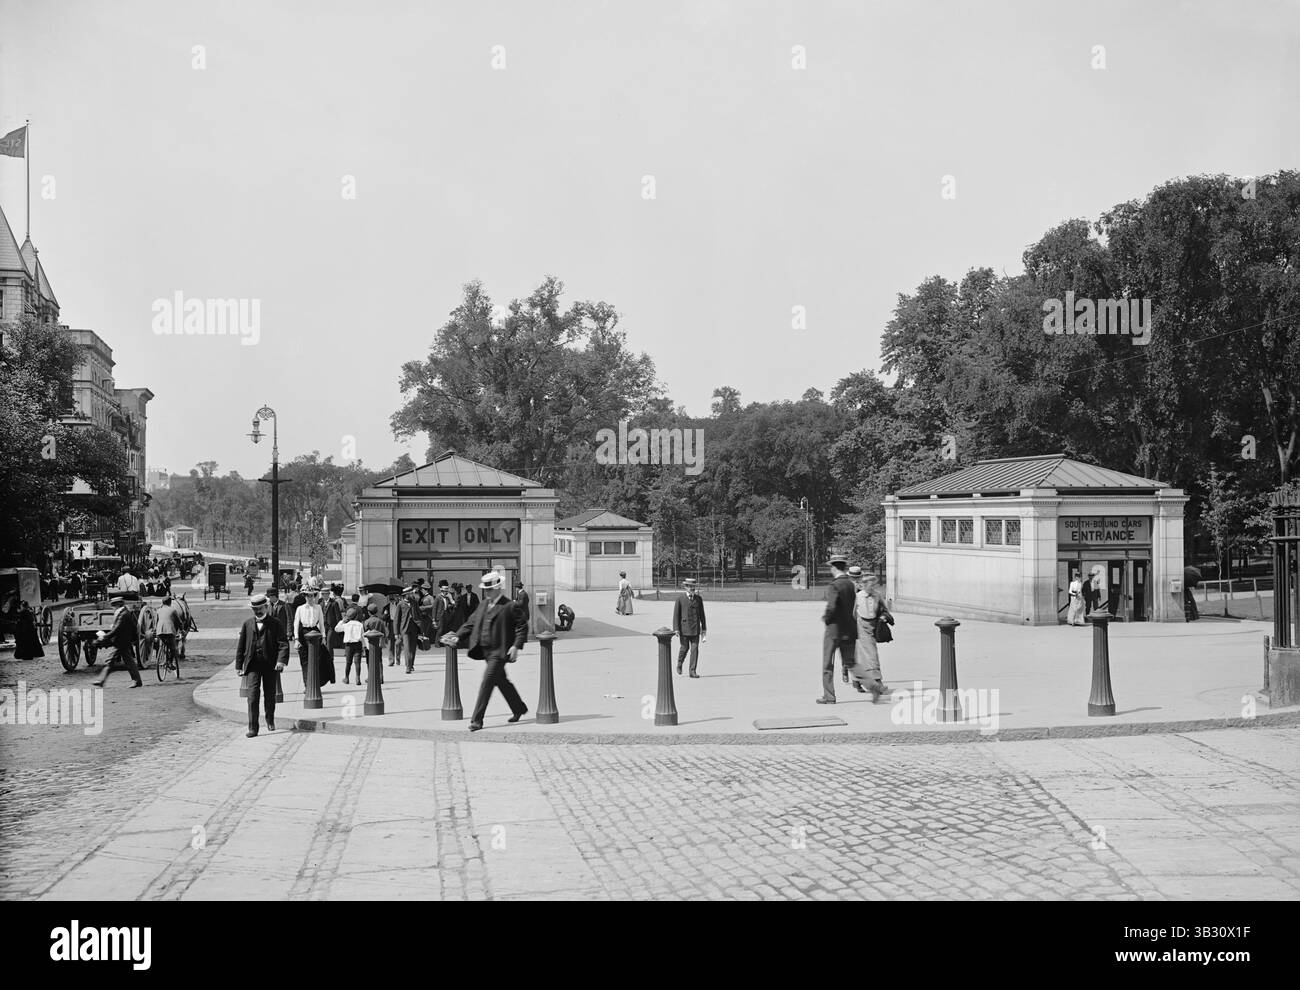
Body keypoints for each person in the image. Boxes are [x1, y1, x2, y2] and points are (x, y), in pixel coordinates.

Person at [442, 571, 528, 732]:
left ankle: (477, 720)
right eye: (485, 590)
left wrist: (516, 646)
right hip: (485, 651)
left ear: (498, 589)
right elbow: (470, 623)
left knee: (487, 682)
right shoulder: (483, 604)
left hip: (499, 652)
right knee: (502, 681)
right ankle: (519, 708)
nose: (487, 592)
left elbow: (522, 626)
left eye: (489, 590)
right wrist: (458, 636)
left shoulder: (510, 606)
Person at [235, 593, 289, 738]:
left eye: (260, 608)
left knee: (270, 695)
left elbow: (283, 643)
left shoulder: (275, 623)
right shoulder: (247, 624)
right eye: (254, 609)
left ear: (266, 607)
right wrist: (239, 666)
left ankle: (270, 719)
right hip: (253, 665)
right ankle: (253, 727)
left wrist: (280, 661)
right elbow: (241, 646)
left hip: (270, 665)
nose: (257, 612)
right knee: (252, 696)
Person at [819, 554, 857, 704]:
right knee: (851, 663)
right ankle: (872, 685)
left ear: (834, 567)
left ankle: (829, 696)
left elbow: (832, 607)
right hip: (848, 628)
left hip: (834, 630)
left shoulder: (834, 585)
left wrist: (826, 618)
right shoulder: (850, 584)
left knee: (828, 663)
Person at [850, 569, 889, 701]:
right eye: (871, 585)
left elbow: (884, 610)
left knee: (864, 656)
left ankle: (856, 679)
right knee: (872, 655)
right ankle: (878, 683)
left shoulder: (877, 596)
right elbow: (853, 613)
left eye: (874, 585)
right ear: (864, 585)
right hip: (862, 626)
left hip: (874, 626)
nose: (873, 587)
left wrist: (883, 617)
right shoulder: (858, 596)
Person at [92, 594, 143, 689]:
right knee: (126, 662)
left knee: (111, 661)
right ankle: (137, 680)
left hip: (121, 642)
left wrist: (105, 637)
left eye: (113, 606)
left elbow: (116, 629)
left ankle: (101, 680)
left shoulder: (123, 614)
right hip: (122, 641)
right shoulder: (124, 612)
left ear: (117, 605)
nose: (112, 608)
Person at [292, 586, 332, 690]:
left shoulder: (318, 607)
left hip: (315, 632)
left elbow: (322, 624)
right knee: (305, 661)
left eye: (312, 596)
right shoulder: (300, 608)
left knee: (318, 660)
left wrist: (323, 637)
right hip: (303, 633)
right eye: (308, 596)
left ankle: (316, 683)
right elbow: (296, 624)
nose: (310, 598)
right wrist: (296, 639)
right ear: (304, 596)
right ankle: (307, 685)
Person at [672, 578, 707, 677]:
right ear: (685, 587)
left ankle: (692, 671)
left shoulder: (698, 599)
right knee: (684, 648)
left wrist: (704, 629)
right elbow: (676, 615)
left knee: (695, 649)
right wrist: (676, 629)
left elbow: (702, 615)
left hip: (695, 629)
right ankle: (679, 663)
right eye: (690, 586)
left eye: (693, 586)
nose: (692, 588)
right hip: (684, 629)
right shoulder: (680, 599)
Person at [336, 605, 365, 685]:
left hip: (349, 645)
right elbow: (362, 636)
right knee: (357, 662)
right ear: (356, 616)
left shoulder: (346, 625)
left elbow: (337, 629)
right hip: (358, 644)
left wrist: (342, 621)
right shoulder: (360, 624)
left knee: (348, 662)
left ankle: (346, 677)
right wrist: (364, 646)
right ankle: (358, 678)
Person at [154, 596, 182, 678]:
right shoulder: (173, 610)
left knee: (164, 643)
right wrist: (181, 629)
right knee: (174, 648)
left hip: (160, 631)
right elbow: (179, 621)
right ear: (170, 603)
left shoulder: (158, 610)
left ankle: (162, 657)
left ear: (162, 603)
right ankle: (169, 662)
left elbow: (156, 622)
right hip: (169, 631)